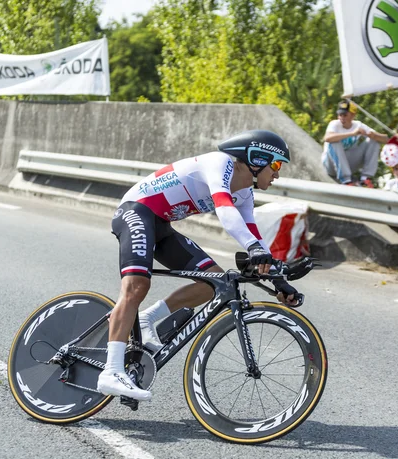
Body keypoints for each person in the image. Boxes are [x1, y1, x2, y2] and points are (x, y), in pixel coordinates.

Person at [97, 130, 302, 401]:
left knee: (213, 282)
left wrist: (278, 279)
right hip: (136, 211)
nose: (277, 174)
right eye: (276, 165)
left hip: (161, 226)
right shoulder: (220, 164)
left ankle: (147, 318)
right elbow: (225, 212)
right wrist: (253, 250)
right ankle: (110, 371)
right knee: (137, 285)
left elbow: (254, 236)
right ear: (256, 159)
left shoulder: (244, 193)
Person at [322, 99, 389, 187]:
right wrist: (352, 133)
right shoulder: (334, 124)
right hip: (331, 166)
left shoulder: (358, 125)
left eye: (345, 115)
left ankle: (365, 178)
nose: (342, 118)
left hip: (349, 164)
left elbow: (386, 139)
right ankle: (346, 180)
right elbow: (327, 138)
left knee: (374, 141)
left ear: (353, 115)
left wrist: (374, 135)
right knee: (334, 142)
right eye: (340, 115)